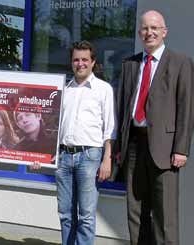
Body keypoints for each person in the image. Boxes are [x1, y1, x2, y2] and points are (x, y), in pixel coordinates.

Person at [116, 10, 193, 245]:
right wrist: (120, 146)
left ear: (164, 32)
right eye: (145, 28)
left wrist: (181, 148)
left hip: (165, 148)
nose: (149, 32)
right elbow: (122, 107)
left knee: (164, 216)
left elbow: (186, 108)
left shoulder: (180, 62)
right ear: (139, 33)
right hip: (134, 146)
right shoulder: (130, 64)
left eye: (154, 28)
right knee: (136, 212)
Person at [56, 40, 116, 244]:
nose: (80, 63)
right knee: (65, 214)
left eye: (84, 59)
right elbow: (53, 127)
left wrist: (107, 159)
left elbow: (110, 128)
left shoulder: (103, 89)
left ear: (93, 62)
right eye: (76, 60)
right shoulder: (64, 90)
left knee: (86, 217)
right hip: (64, 157)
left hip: (90, 157)